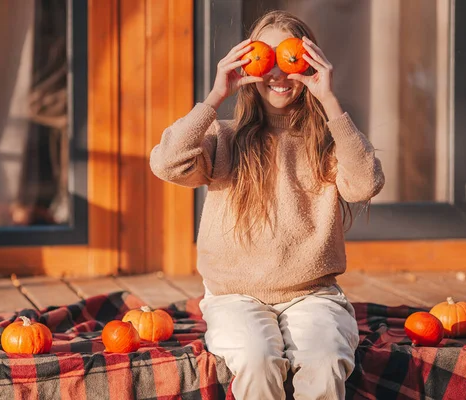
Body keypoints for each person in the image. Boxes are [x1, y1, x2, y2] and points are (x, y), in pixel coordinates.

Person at [149, 10, 384, 400]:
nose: (277, 71)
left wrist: (328, 99)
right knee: (258, 358)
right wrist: (215, 95)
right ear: (249, 64)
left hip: (313, 294)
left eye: (289, 58)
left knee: (325, 360)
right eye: (266, 58)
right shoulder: (224, 137)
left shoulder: (327, 142)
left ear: (308, 63)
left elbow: (365, 184)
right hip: (234, 296)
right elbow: (167, 163)